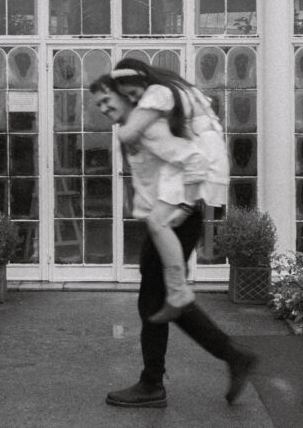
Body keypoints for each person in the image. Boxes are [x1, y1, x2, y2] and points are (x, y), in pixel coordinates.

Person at [90, 75, 258, 409]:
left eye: (109, 100)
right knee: (158, 301)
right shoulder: (137, 129)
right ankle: (227, 356)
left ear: (127, 98)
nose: (104, 108)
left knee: (157, 302)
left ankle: (156, 382)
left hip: (177, 217)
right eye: (99, 105)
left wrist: (184, 205)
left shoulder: (149, 127)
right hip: (168, 217)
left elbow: (191, 157)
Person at [109, 57, 231, 322]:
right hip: (206, 160)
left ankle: (177, 290)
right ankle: (176, 288)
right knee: (161, 229)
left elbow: (128, 132)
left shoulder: (158, 91)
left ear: (142, 80)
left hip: (200, 161)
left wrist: (127, 129)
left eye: (132, 93)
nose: (133, 99)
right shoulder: (178, 88)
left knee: (157, 224)